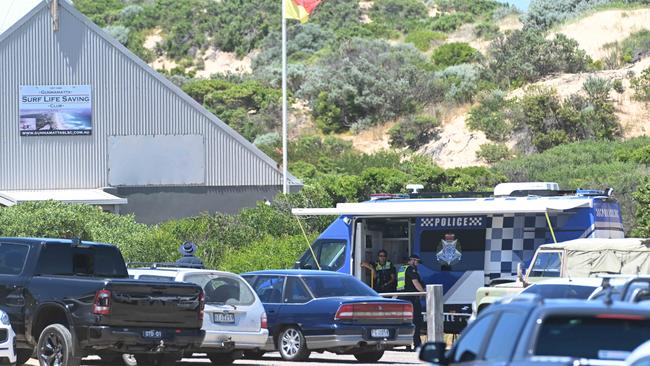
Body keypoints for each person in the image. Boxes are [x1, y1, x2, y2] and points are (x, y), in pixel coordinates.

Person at [400, 254, 425, 350]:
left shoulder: (402, 269)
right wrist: (424, 293)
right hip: (412, 299)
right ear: (412, 260)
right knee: (416, 322)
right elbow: (416, 283)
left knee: (407, 322)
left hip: (403, 299)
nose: (418, 264)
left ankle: (407, 344)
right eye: (417, 262)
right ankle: (417, 344)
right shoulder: (411, 269)